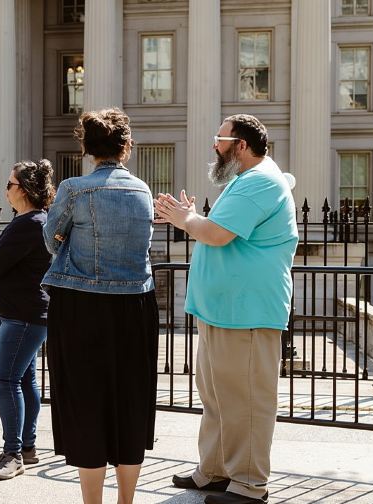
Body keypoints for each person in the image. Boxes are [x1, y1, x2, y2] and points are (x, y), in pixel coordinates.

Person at [154, 114, 298, 504]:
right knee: (217, 396)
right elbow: (214, 227)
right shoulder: (245, 181)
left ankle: (249, 485)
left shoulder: (259, 183)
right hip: (226, 310)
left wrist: (186, 220)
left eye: (219, 139)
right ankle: (215, 471)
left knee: (246, 400)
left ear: (242, 146)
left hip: (246, 312)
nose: (213, 146)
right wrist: (191, 218)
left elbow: (217, 234)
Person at [42, 108, 159, 504]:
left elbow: (51, 239)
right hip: (135, 305)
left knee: (85, 401)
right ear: (126, 147)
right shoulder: (142, 190)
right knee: (130, 400)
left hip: (80, 305)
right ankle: (126, 501)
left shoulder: (74, 188)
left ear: (86, 148)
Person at [0, 159, 55, 481]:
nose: (7, 190)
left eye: (10, 184)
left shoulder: (29, 224)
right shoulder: (34, 220)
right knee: (25, 379)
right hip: (19, 312)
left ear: (23, 190)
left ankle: (13, 453)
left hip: (22, 316)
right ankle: (26, 447)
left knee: (5, 380)